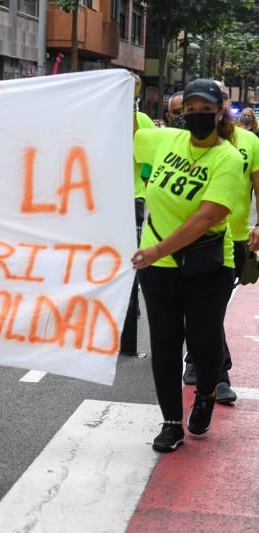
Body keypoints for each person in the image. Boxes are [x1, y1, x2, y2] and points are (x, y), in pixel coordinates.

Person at [132, 79, 242, 453]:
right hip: (158, 265)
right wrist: (121, 91)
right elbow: (123, 130)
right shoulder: (165, 141)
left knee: (203, 341)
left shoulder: (228, 158)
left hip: (207, 265)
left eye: (205, 108)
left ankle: (207, 394)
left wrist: (157, 249)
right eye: (190, 109)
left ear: (220, 111)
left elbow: (207, 216)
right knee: (164, 342)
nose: (197, 115)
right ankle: (170, 422)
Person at [181, 82, 259, 404]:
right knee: (201, 308)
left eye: (216, 104)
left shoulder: (251, 143)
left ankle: (199, 361)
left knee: (210, 310)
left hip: (236, 237)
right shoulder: (190, 142)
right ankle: (216, 371)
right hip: (193, 237)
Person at [120, 74, 154, 358]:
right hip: (101, 199)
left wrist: (130, 105)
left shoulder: (141, 120)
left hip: (132, 198)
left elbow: (146, 160)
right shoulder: (99, 117)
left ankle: (130, 304)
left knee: (130, 255)